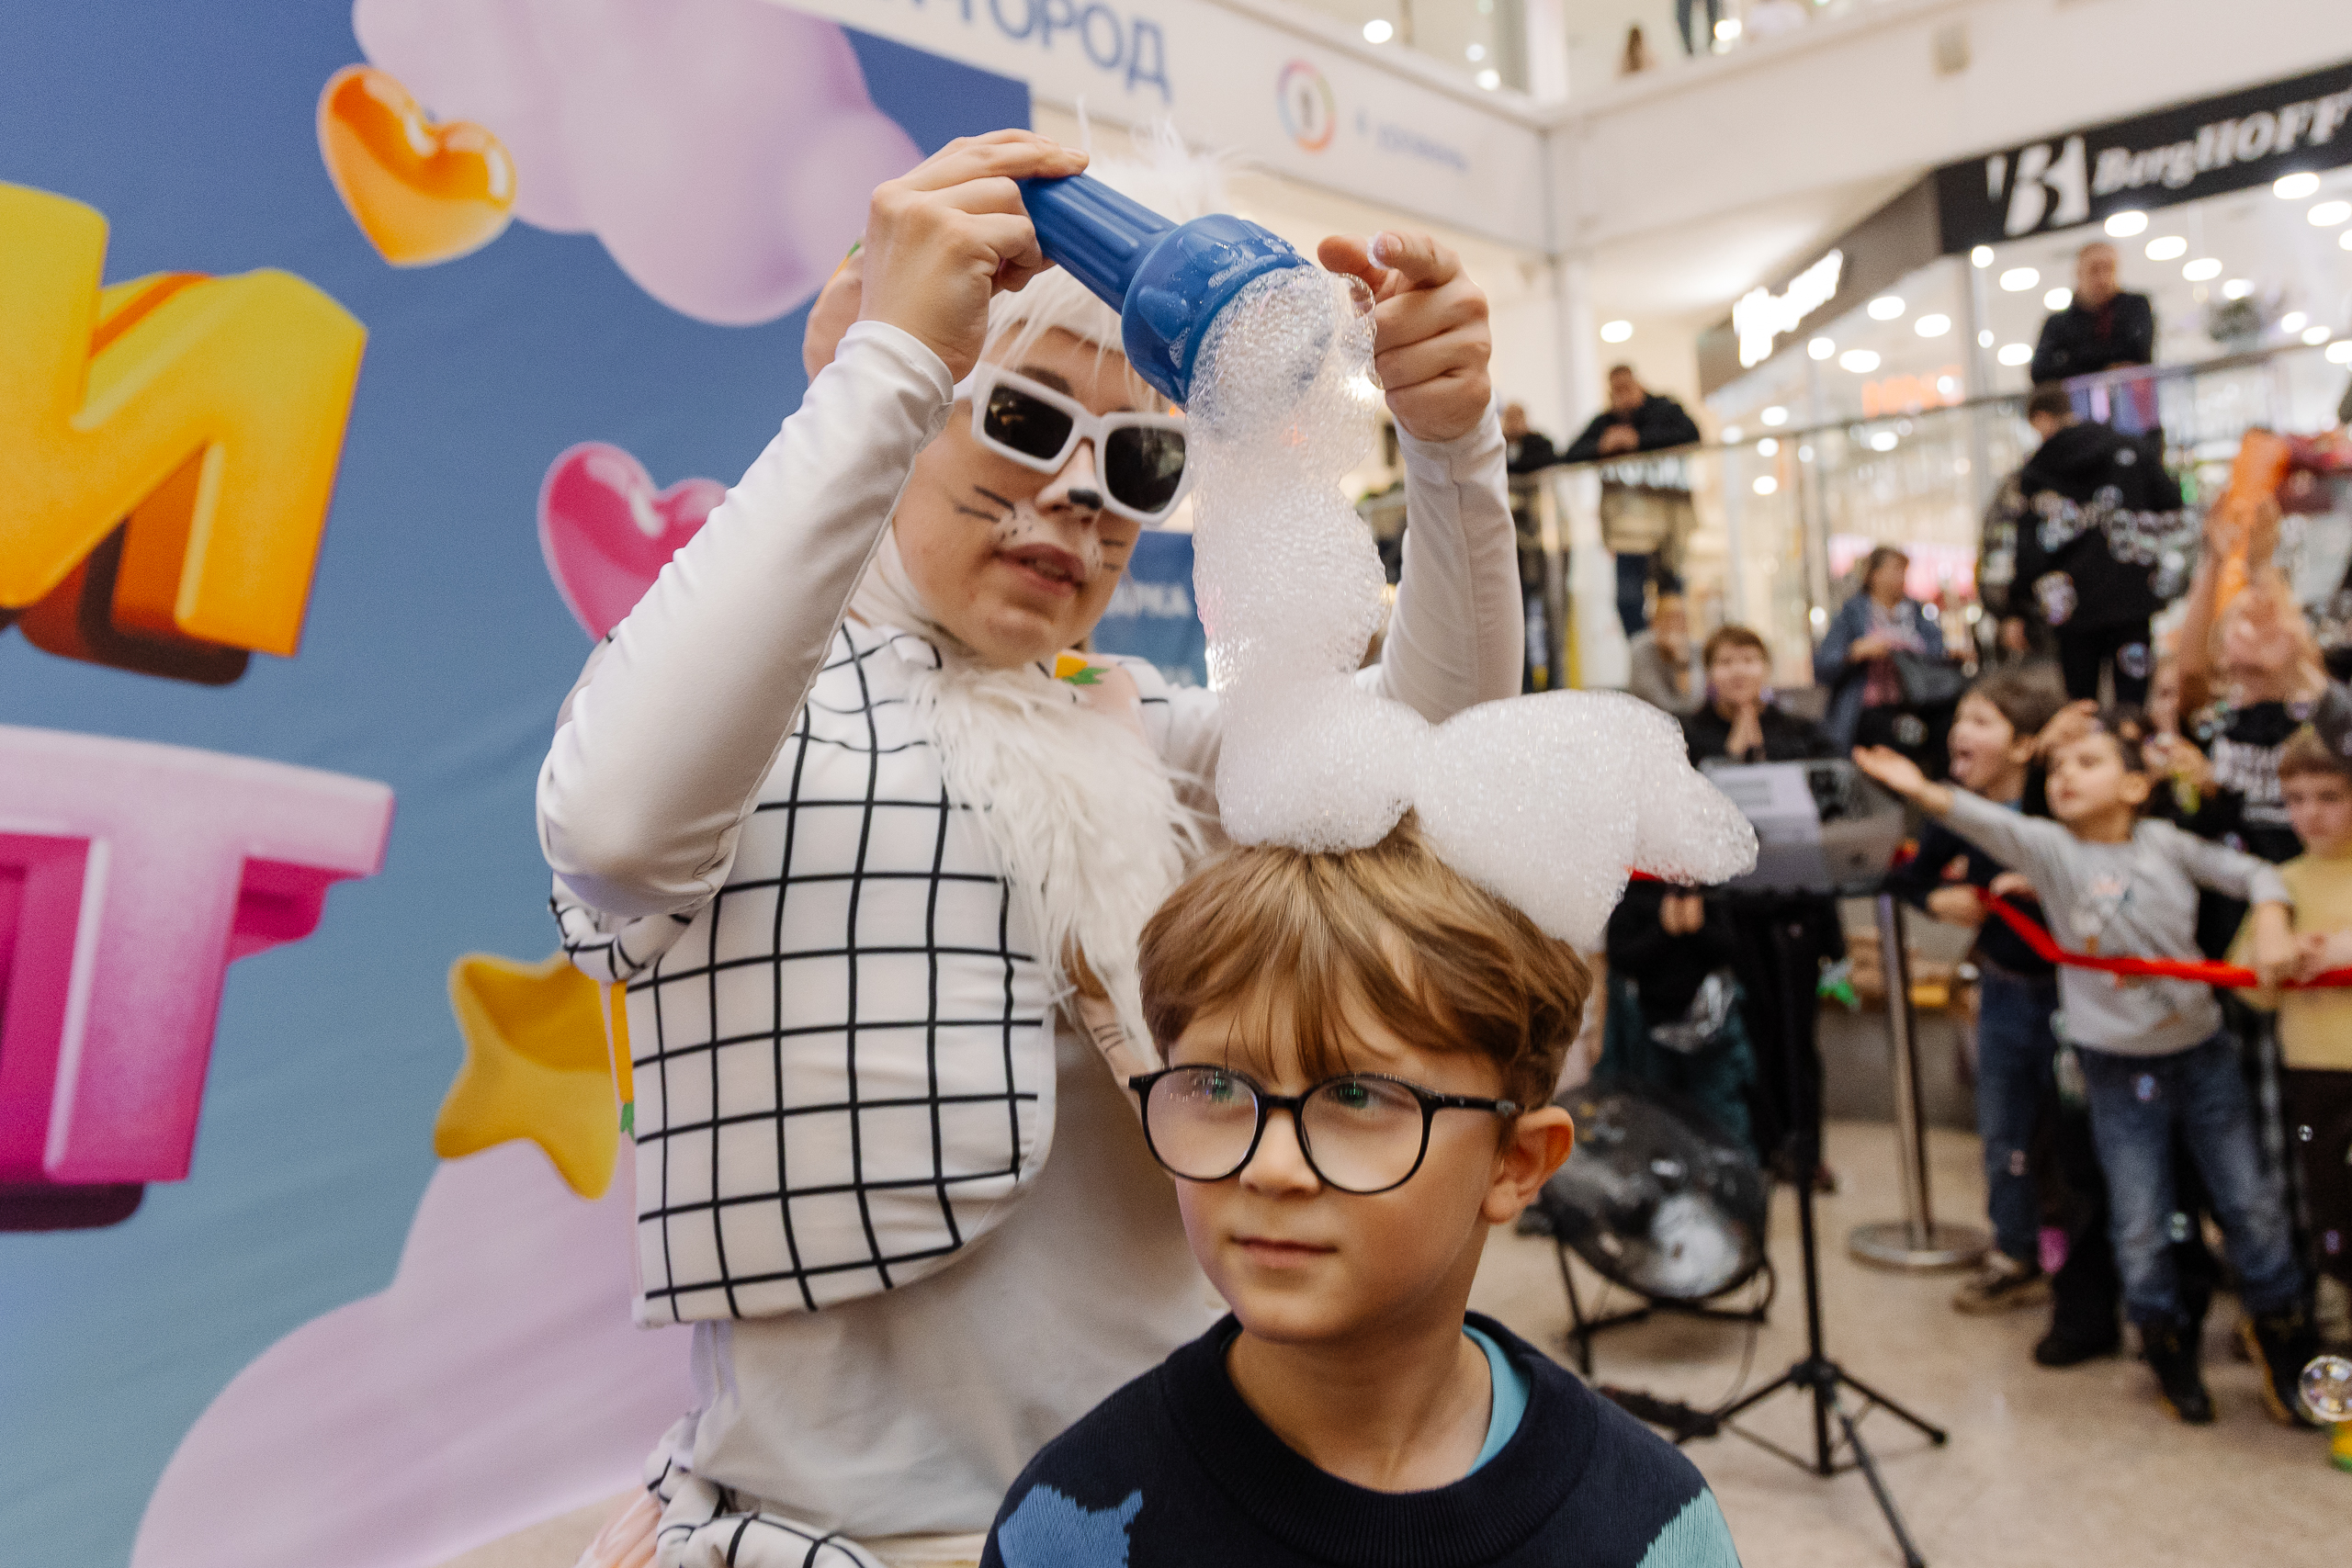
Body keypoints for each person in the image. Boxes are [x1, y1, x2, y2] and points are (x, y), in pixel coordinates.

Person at [542, 133, 1522, 1567]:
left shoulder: (1142, 730)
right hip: (835, 1537)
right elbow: (616, 829)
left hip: (1157, 1523)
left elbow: (1428, 767)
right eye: (1019, 416)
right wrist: (883, 360)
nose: (1078, 492)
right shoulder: (741, 723)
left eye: (1136, 458)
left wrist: (1451, 453)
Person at [978, 818, 1744, 1567]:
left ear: (1515, 1161)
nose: (1272, 1167)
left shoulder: (1652, 1531)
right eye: (1216, 1086)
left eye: (1355, 1094)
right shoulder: (1070, 1528)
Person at [1853, 714, 2322, 1428]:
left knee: (2249, 1204)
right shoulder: (2050, 851)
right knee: (2139, 1220)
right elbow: (1978, 817)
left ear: (2135, 785)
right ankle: (2166, 1345)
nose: (2066, 774)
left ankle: (2284, 1342)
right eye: (2060, 765)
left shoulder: (2165, 842)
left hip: (2204, 1058)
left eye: (2089, 761)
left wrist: (2275, 920)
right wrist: (1920, 789)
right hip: (2114, 1073)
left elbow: (2256, 871)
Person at [1883, 667, 2069, 1317]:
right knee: (2003, 1129)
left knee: (2070, 1130)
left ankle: (2079, 1262)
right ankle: (2014, 1254)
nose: (1960, 730)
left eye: (1982, 720)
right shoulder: (1955, 813)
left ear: (2025, 746)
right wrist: (1938, 897)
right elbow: (1906, 879)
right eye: (1961, 717)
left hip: (2076, 994)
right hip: (2005, 990)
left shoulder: (2058, 802)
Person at [2233, 723, 2352, 1466]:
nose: (2312, 813)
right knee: (2333, 1230)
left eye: (2331, 796)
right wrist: (2275, 955)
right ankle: (2345, 1403)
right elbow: (2252, 989)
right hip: (2313, 1084)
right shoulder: (2283, 882)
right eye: (2297, 798)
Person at [1683, 626, 1840, 1179]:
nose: (1738, 671)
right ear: (1710, 672)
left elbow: (1831, 799)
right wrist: (1730, 758)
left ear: (1766, 667)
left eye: (1749, 659)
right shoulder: (1690, 735)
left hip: (1794, 904)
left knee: (1798, 1032)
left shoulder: (1799, 732)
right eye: (1726, 661)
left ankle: (1805, 1149)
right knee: (1746, 1030)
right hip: (1726, 910)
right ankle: (1756, 1146)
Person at [1989, 384, 2190, 705]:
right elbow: (2171, 507)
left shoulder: (2038, 469)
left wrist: (2017, 608)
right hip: (2131, 598)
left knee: (2081, 704)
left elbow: (2027, 548)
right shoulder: (2130, 448)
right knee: (2133, 704)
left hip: (2072, 608)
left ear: (2041, 419)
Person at [1562, 365, 1701, 637]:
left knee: (1672, 599)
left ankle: (1673, 650)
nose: (1622, 395)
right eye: (1616, 390)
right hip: (1627, 529)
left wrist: (1638, 440)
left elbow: (1692, 435)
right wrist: (1603, 446)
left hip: (1668, 526)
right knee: (1628, 601)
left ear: (1639, 384)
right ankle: (1642, 651)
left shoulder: (1666, 410)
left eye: (1627, 388)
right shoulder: (1606, 423)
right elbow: (1569, 455)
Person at [1815, 545, 1943, 763]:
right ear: (1874, 574)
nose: (1901, 577)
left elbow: (1937, 652)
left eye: (1903, 571)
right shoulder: (1852, 613)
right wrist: (1854, 652)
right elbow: (1823, 666)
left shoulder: (1917, 612)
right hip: (1867, 711)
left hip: (1917, 704)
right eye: (1894, 570)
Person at [2030, 241, 2156, 386]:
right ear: (2079, 273)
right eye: (2094, 270)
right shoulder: (2057, 323)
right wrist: (2108, 366)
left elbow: (2139, 353)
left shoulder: (2135, 306)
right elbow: (2040, 372)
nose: (2102, 278)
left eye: (2109, 268)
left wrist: (2073, 362)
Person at [1623, 590, 1702, 716]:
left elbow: (1696, 700)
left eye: (1680, 617)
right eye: (1668, 617)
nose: (1674, 624)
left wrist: (1681, 661)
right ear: (1654, 622)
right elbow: (1662, 704)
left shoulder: (1695, 648)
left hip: (1688, 721)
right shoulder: (1640, 649)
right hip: (1648, 718)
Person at [1501, 401, 1556, 475]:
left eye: (1517, 418)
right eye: (1509, 418)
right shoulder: (1499, 444)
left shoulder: (1539, 444)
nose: (1513, 423)